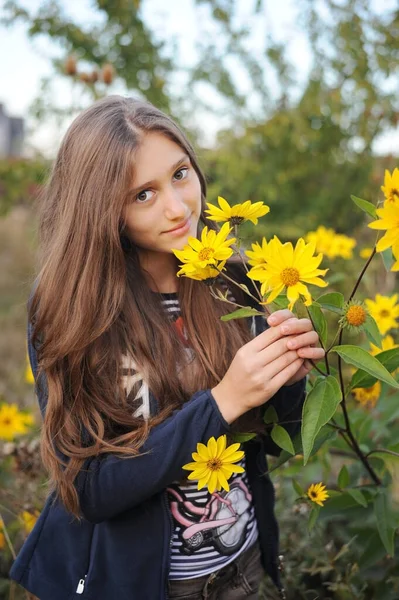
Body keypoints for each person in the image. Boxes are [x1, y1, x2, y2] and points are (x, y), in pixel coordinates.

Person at [10, 95, 325, 600]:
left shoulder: (237, 279)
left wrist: (289, 381)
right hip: (146, 584)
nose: (178, 208)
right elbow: (88, 490)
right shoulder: (71, 310)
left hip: (242, 570)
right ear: (99, 209)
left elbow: (268, 444)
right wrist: (224, 399)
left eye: (180, 174)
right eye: (142, 195)